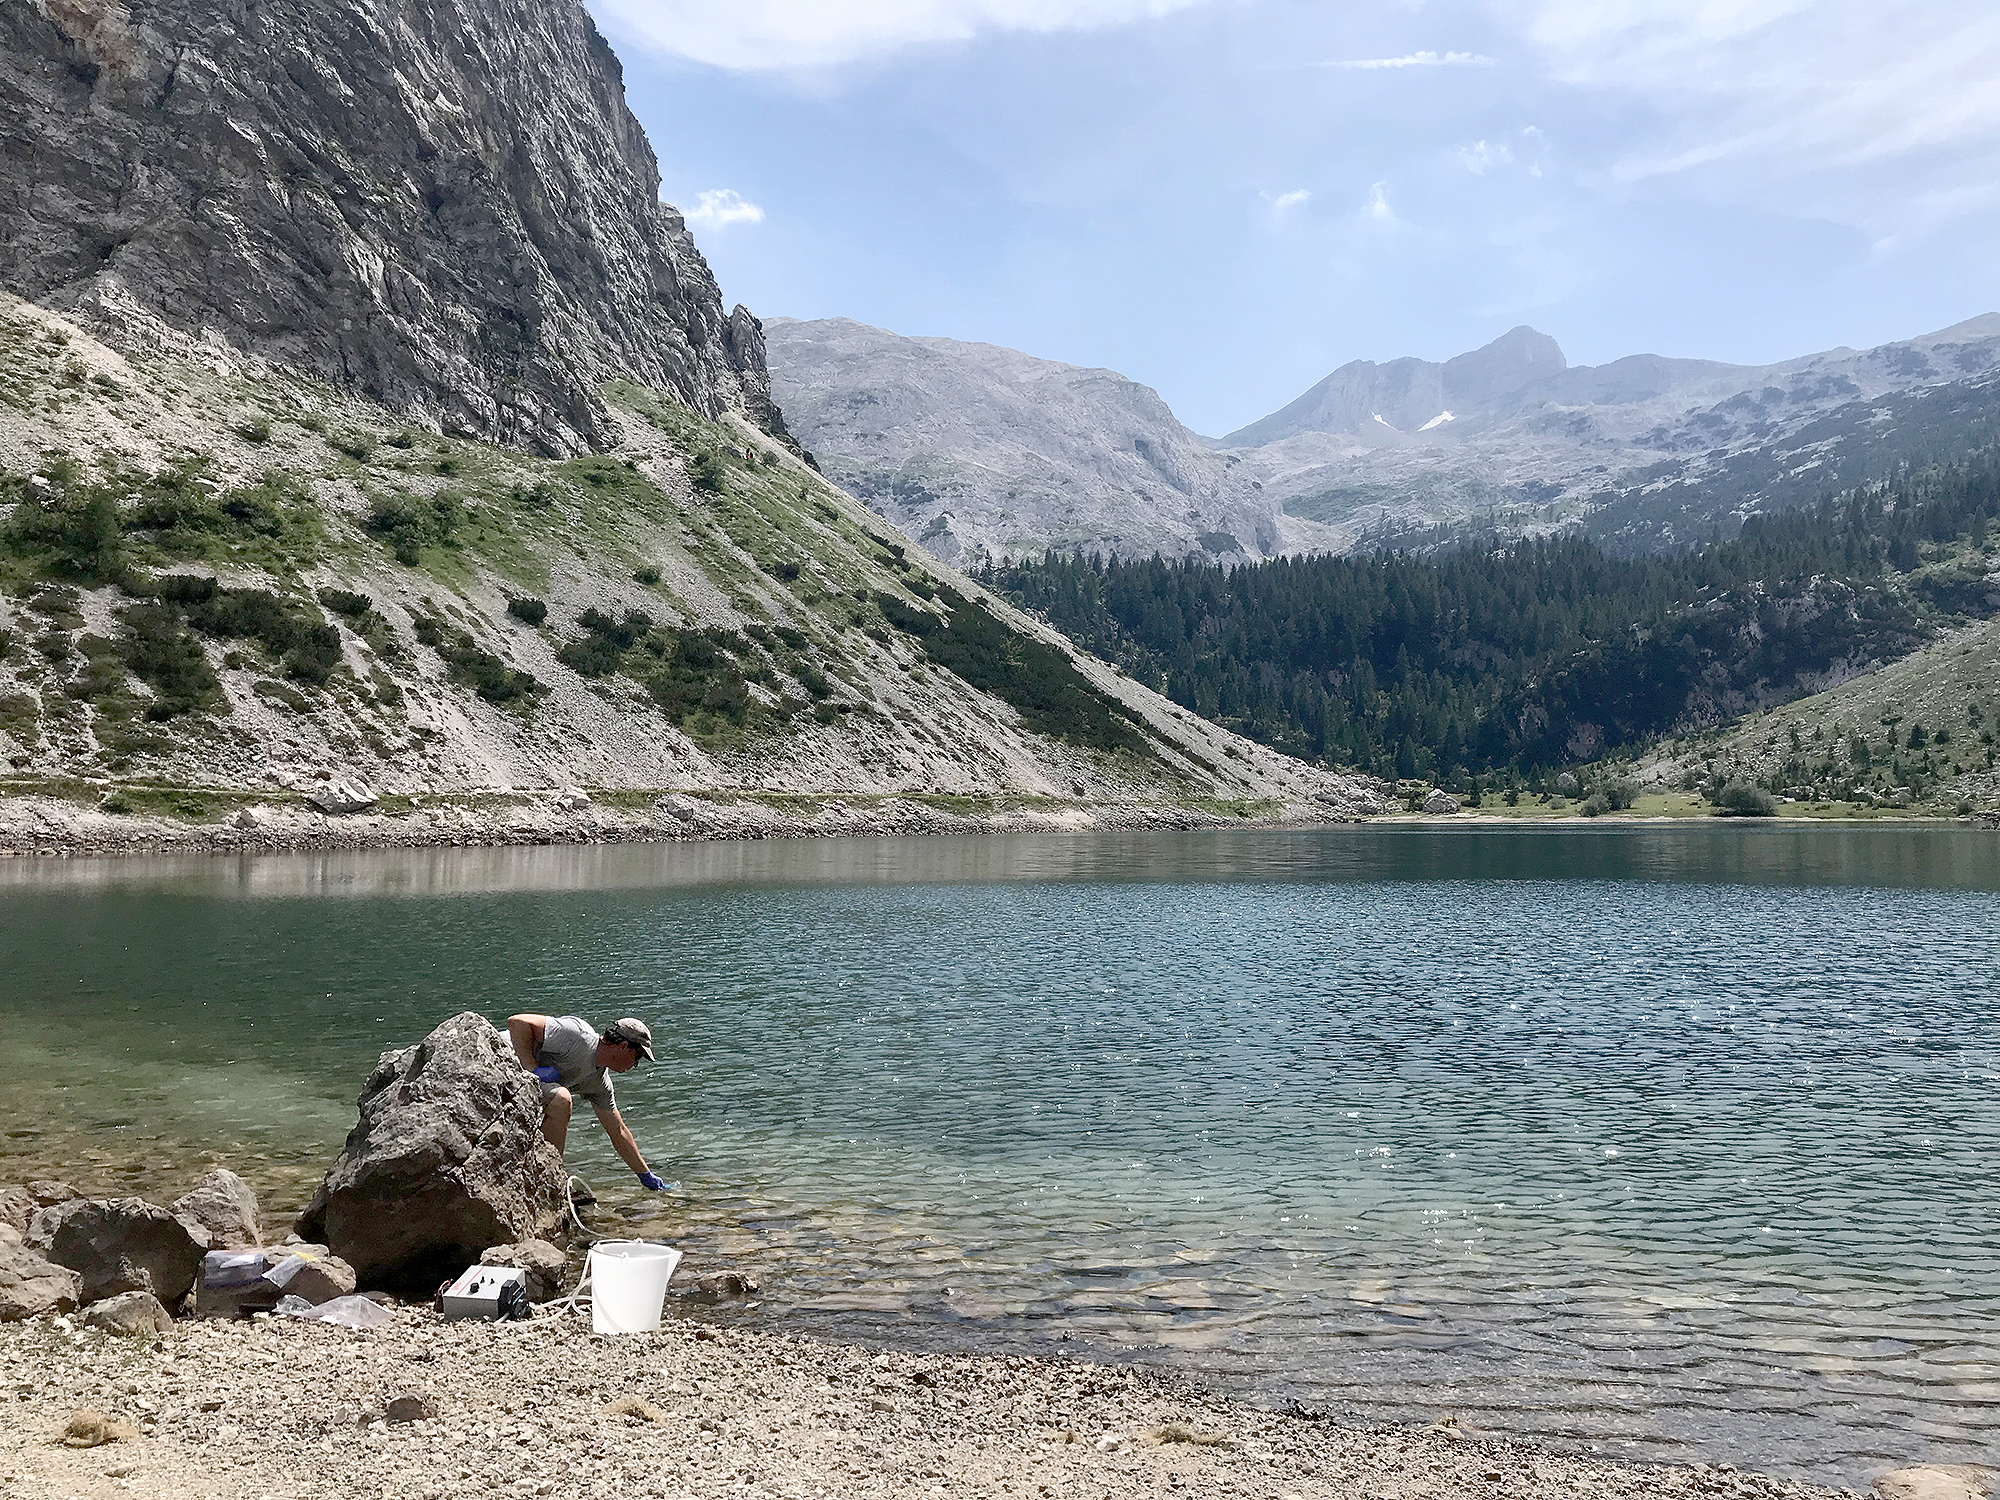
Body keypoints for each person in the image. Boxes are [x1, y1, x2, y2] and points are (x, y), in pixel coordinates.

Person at [506, 1013, 669, 1191]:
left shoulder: (599, 1084)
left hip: (521, 1087)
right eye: (637, 1059)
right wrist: (532, 1068)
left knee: (560, 1099)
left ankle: (546, 1173)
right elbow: (518, 1022)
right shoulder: (578, 1035)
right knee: (562, 1099)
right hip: (500, 1059)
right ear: (624, 1047)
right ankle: (550, 1174)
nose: (634, 1065)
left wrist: (644, 1175)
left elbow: (618, 1130)